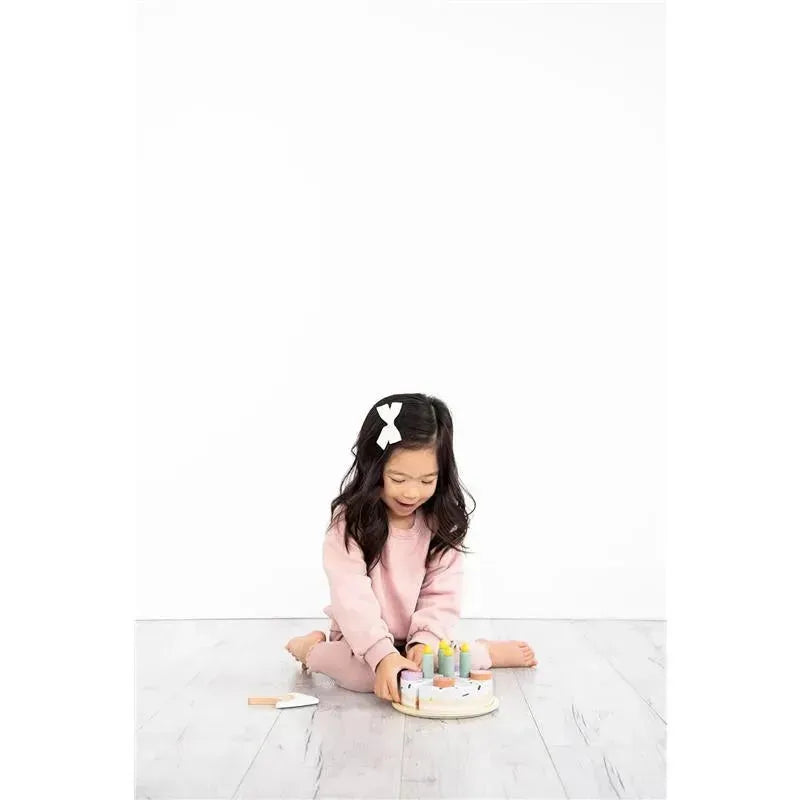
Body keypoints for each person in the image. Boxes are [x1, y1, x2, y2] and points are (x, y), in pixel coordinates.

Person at [286, 392, 537, 703]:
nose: (412, 493)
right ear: (373, 468)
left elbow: (441, 594)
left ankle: (483, 652)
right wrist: (382, 654)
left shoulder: (440, 523)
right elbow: (351, 596)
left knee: (435, 665)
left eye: (427, 481)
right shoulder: (350, 522)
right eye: (398, 478)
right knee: (366, 677)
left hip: (416, 637)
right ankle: (311, 648)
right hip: (360, 640)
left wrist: (424, 642)